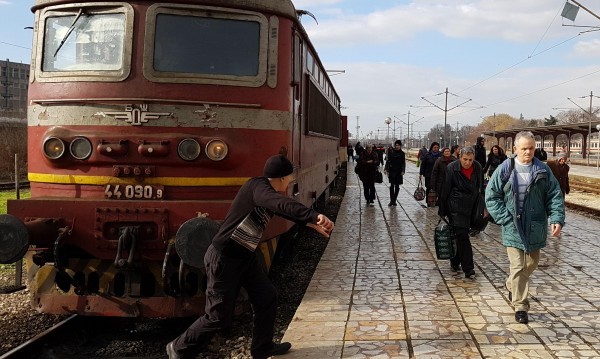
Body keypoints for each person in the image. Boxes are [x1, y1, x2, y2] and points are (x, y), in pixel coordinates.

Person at [166, 155, 335, 359]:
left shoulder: (265, 192)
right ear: (282, 178)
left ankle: (262, 347)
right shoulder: (258, 188)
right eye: (290, 177)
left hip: (244, 257)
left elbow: (281, 210)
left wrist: (310, 223)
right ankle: (178, 347)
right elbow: (280, 204)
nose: (291, 181)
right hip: (224, 258)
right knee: (218, 317)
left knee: (266, 296)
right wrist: (313, 215)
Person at [485, 131, 564, 324]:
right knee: (518, 265)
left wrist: (556, 218)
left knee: (531, 263)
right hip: (513, 225)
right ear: (515, 149)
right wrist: (505, 218)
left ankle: (511, 284)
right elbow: (491, 195)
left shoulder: (543, 170)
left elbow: (554, 195)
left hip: (535, 225)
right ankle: (520, 306)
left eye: (531, 148)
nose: (528, 152)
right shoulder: (506, 168)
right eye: (524, 149)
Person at [438, 147, 483, 279]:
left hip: (472, 206)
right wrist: (443, 210)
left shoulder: (478, 167)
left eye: (470, 160)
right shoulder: (452, 168)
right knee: (463, 236)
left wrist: (483, 205)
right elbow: (445, 189)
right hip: (456, 206)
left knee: (460, 236)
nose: (467, 162)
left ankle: (455, 260)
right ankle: (469, 268)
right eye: (465, 159)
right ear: (460, 157)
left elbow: (480, 187)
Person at [384, 140, 406, 206]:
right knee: (392, 186)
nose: (397, 146)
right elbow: (388, 161)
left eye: (398, 145)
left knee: (397, 186)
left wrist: (403, 171)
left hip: (399, 171)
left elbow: (403, 163)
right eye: (396, 145)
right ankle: (392, 200)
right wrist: (386, 169)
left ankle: (394, 200)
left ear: (400, 146)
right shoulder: (392, 152)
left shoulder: (402, 153)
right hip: (392, 170)